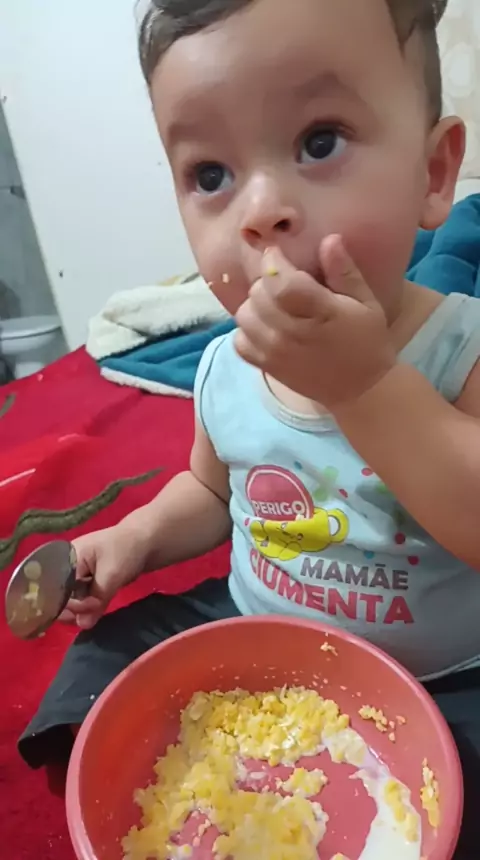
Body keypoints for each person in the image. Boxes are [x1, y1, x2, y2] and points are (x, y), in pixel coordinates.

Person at [19, 0, 480, 853]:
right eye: (210, 175)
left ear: (432, 172)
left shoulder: (461, 350)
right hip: (255, 637)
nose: (261, 211)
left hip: (440, 677)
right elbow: (209, 489)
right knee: (102, 671)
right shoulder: (226, 368)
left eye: (319, 141)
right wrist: (134, 538)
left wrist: (368, 386)